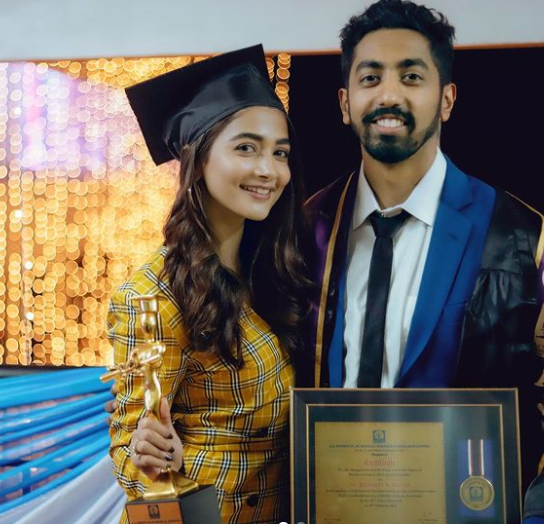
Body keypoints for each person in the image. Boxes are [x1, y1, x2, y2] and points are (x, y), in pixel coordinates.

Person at [305, 0, 544, 509]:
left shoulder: (522, 237)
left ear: (447, 99)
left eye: (411, 77)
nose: (388, 94)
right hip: (331, 507)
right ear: (345, 103)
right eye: (370, 79)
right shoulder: (308, 231)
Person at [107, 45, 311, 524]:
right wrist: (147, 453)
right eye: (246, 147)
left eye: (279, 153)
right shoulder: (154, 294)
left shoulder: (274, 271)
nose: (269, 170)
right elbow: (131, 444)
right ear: (197, 159)